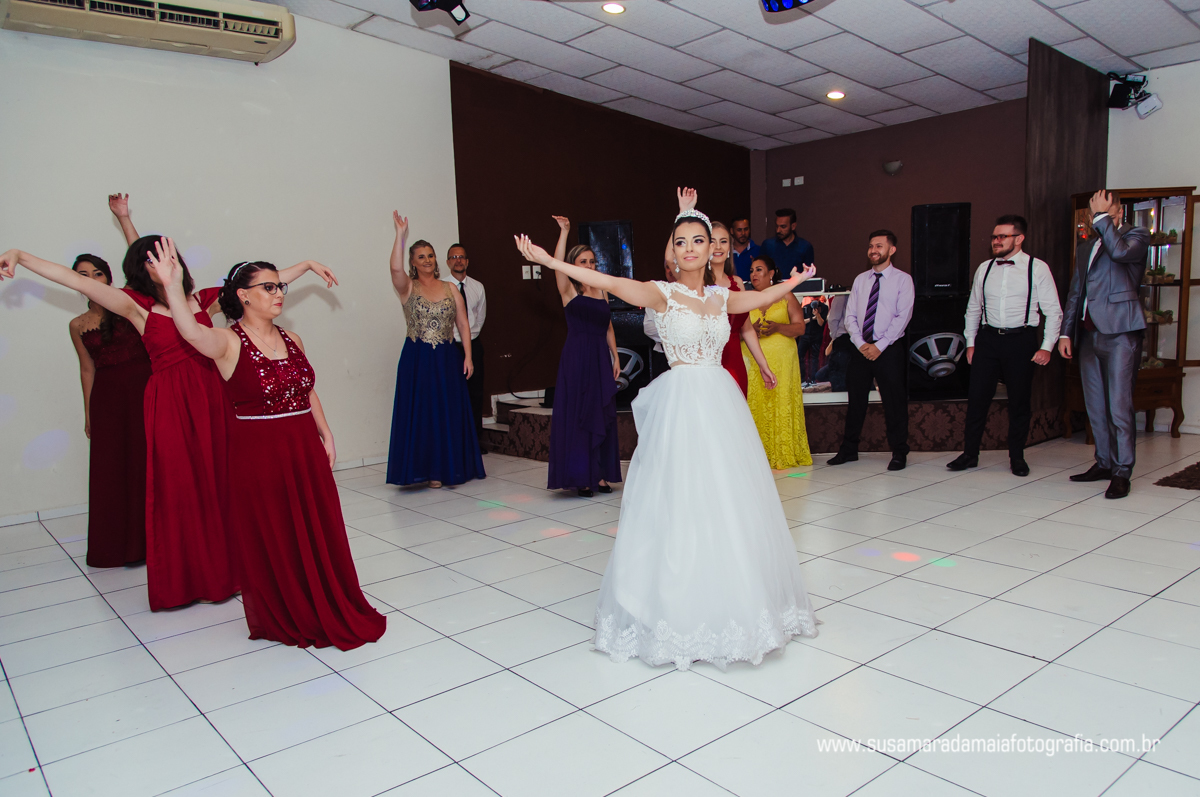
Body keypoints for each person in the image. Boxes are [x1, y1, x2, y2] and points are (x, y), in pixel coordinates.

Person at [514, 209, 819, 671]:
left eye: (698, 240)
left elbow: (760, 296)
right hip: (681, 406)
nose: (690, 248)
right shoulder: (662, 292)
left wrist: (795, 282)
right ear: (673, 251)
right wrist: (551, 262)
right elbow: (608, 280)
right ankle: (673, 604)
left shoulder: (722, 296)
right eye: (681, 241)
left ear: (711, 248)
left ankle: (734, 596)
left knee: (727, 498)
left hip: (721, 405)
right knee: (677, 500)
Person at [149, 242, 386, 650]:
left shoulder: (293, 337)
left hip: (303, 447)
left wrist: (325, 432)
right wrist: (172, 287)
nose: (279, 294)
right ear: (243, 295)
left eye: (280, 287)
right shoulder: (228, 342)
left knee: (318, 528)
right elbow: (190, 332)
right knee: (278, 532)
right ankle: (292, 608)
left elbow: (305, 389)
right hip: (260, 453)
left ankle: (327, 599)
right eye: (269, 287)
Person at [948, 215, 1063, 477]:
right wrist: (971, 342)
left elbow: (1053, 311)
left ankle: (1017, 457)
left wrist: (1047, 346)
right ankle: (970, 454)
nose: (996, 241)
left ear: (1019, 238)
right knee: (977, 398)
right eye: (994, 237)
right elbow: (973, 308)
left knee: (1019, 401)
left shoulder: (1037, 268)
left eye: (1002, 236)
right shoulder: (985, 268)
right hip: (988, 340)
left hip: (1021, 340)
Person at [1059, 190, 1149, 500]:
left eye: (1105, 212)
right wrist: (1066, 333)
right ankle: (1104, 462)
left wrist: (1102, 219)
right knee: (1095, 406)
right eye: (1093, 213)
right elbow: (1076, 292)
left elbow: (1121, 254)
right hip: (1088, 334)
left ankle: (1122, 471)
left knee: (1119, 407)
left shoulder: (1137, 236)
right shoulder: (1086, 247)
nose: (1096, 218)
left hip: (1122, 332)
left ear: (1119, 213)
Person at [386, 214, 485, 489]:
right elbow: (394, 268)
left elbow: (463, 323)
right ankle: (424, 470)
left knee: (446, 412)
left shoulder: (450, 288)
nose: (427, 260)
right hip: (417, 359)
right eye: (421, 257)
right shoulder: (408, 287)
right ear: (413, 262)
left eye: (430, 255)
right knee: (423, 412)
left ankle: (446, 468)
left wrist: (468, 356)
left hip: (446, 358)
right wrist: (400, 235)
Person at [67, 254, 151, 568]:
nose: (91, 280)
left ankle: (151, 543)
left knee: (145, 463)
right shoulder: (77, 325)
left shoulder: (129, 304)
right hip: (107, 399)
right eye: (82, 275)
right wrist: (89, 414)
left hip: (144, 389)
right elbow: (87, 369)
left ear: (108, 278)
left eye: (97, 273)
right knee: (111, 470)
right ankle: (115, 548)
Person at [546, 216, 622, 498]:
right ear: (573, 265)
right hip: (577, 357)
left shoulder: (601, 289)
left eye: (592, 262)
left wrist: (615, 356)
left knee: (600, 413)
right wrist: (564, 232)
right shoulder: (568, 290)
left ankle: (600, 474)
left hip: (600, 357)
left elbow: (608, 326)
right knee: (580, 414)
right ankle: (582, 477)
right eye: (583, 262)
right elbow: (556, 264)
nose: (589, 266)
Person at [828, 230, 914, 471]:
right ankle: (849, 449)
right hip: (861, 348)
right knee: (855, 400)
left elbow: (903, 317)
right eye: (871, 246)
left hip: (889, 349)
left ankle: (899, 451)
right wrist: (861, 344)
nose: (873, 250)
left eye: (879, 246)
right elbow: (850, 317)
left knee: (894, 402)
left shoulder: (903, 280)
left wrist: (880, 346)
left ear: (891, 250)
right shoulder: (860, 280)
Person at [674, 190, 773, 397]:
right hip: (706, 364)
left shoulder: (737, 283)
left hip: (735, 362)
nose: (718, 247)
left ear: (730, 247)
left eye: (724, 241)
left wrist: (763, 365)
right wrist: (684, 213)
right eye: (713, 241)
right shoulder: (696, 283)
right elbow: (670, 258)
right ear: (706, 246)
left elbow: (747, 329)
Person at [744, 255, 813, 470]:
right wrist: (751, 331)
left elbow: (800, 327)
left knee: (781, 402)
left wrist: (778, 327)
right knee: (755, 404)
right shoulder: (746, 298)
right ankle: (756, 455)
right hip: (754, 362)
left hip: (782, 361)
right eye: (751, 271)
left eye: (759, 270)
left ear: (771, 273)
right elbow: (732, 332)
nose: (754, 274)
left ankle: (783, 451)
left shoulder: (786, 295)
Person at [443, 243, 488, 454]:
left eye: (461, 257)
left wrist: (470, 338)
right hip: (450, 347)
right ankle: (455, 443)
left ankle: (475, 443)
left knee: (475, 395)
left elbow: (480, 317)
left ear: (467, 261)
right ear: (448, 262)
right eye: (454, 257)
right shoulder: (442, 287)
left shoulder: (477, 287)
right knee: (452, 395)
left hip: (473, 346)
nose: (458, 260)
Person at [758, 208, 815, 279]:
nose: (778, 230)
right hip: (774, 285)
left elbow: (809, 275)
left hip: (797, 285)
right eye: (777, 226)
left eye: (783, 227)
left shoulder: (805, 247)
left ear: (793, 226)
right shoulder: (768, 245)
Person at [815, 294, 851, 391]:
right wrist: (836, 336)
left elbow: (833, 318)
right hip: (844, 336)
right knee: (840, 374)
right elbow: (833, 318)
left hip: (851, 337)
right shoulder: (843, 294)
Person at [797, 295, 827, 384]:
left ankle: (813, 378)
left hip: (816, 335)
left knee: (815, 358)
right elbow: (801, 322)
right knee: (799, 355)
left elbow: (821, 323)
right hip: (805, 335)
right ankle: (802, 378)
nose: (814, 300)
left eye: (816, 298)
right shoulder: (806, 307)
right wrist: (811, 318)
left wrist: (817, 315)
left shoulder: (824, 308)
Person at [729, 215, 760, 283]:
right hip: (731, 288)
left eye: (746, 229)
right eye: (739, 230)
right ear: (732, 231)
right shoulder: (726, 252)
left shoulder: (759, 250)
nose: (743, 233)